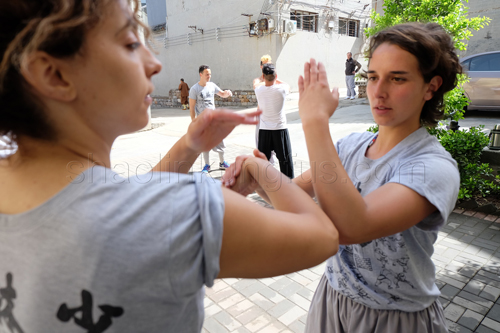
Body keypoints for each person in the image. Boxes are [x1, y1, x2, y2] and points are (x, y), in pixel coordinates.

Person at [0, 0, 340, 332]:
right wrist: (288, 142)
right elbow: (322, 236)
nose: (154, 63)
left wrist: (188, 145)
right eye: (131, 43)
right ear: (54, 74)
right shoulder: (182, 209)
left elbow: (119, 206)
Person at [223, 22, 461, 332]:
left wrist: (314, 121)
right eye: (373, 77)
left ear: (431, 86)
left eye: (397, 78)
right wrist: (258, 175)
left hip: (395, 315)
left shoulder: (433, 167)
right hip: (332, 297)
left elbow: (352, 227)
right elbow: (294, 196)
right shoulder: (350, 146)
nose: (379, 91)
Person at [254, 63, 294, 178]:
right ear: (276, 76)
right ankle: (289, 186)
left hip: (264, 130)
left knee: (263, 162)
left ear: (263, 76)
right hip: (280, 129)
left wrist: (263, 77)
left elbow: (256, 83)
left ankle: (264, 186)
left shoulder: (259, 90)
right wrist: (276, 78)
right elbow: (287, 85)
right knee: (285, 161)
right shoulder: (282, 89)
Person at [189, 65, 232, 172]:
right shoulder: (194, 89)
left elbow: (222, 94)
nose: (209, 76)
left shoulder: (212, 85)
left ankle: (222, 163)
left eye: (210, 74)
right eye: (207, 74)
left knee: (220, 142)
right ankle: (207, 165)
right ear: (201, 74)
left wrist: (227, 93)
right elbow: (191, 107)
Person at [253, 54, 280, 166]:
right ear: (261, 67)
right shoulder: (257, 80)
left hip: (273, 114)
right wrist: (269, 79)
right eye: (265, 65)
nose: (267, 68)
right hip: (261, 114)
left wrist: (273, 77)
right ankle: (264, 164)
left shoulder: (275, 78)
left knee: (275, 139)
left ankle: (272, 164)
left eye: (269, 65)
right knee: (260, 140)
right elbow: (256, 85)